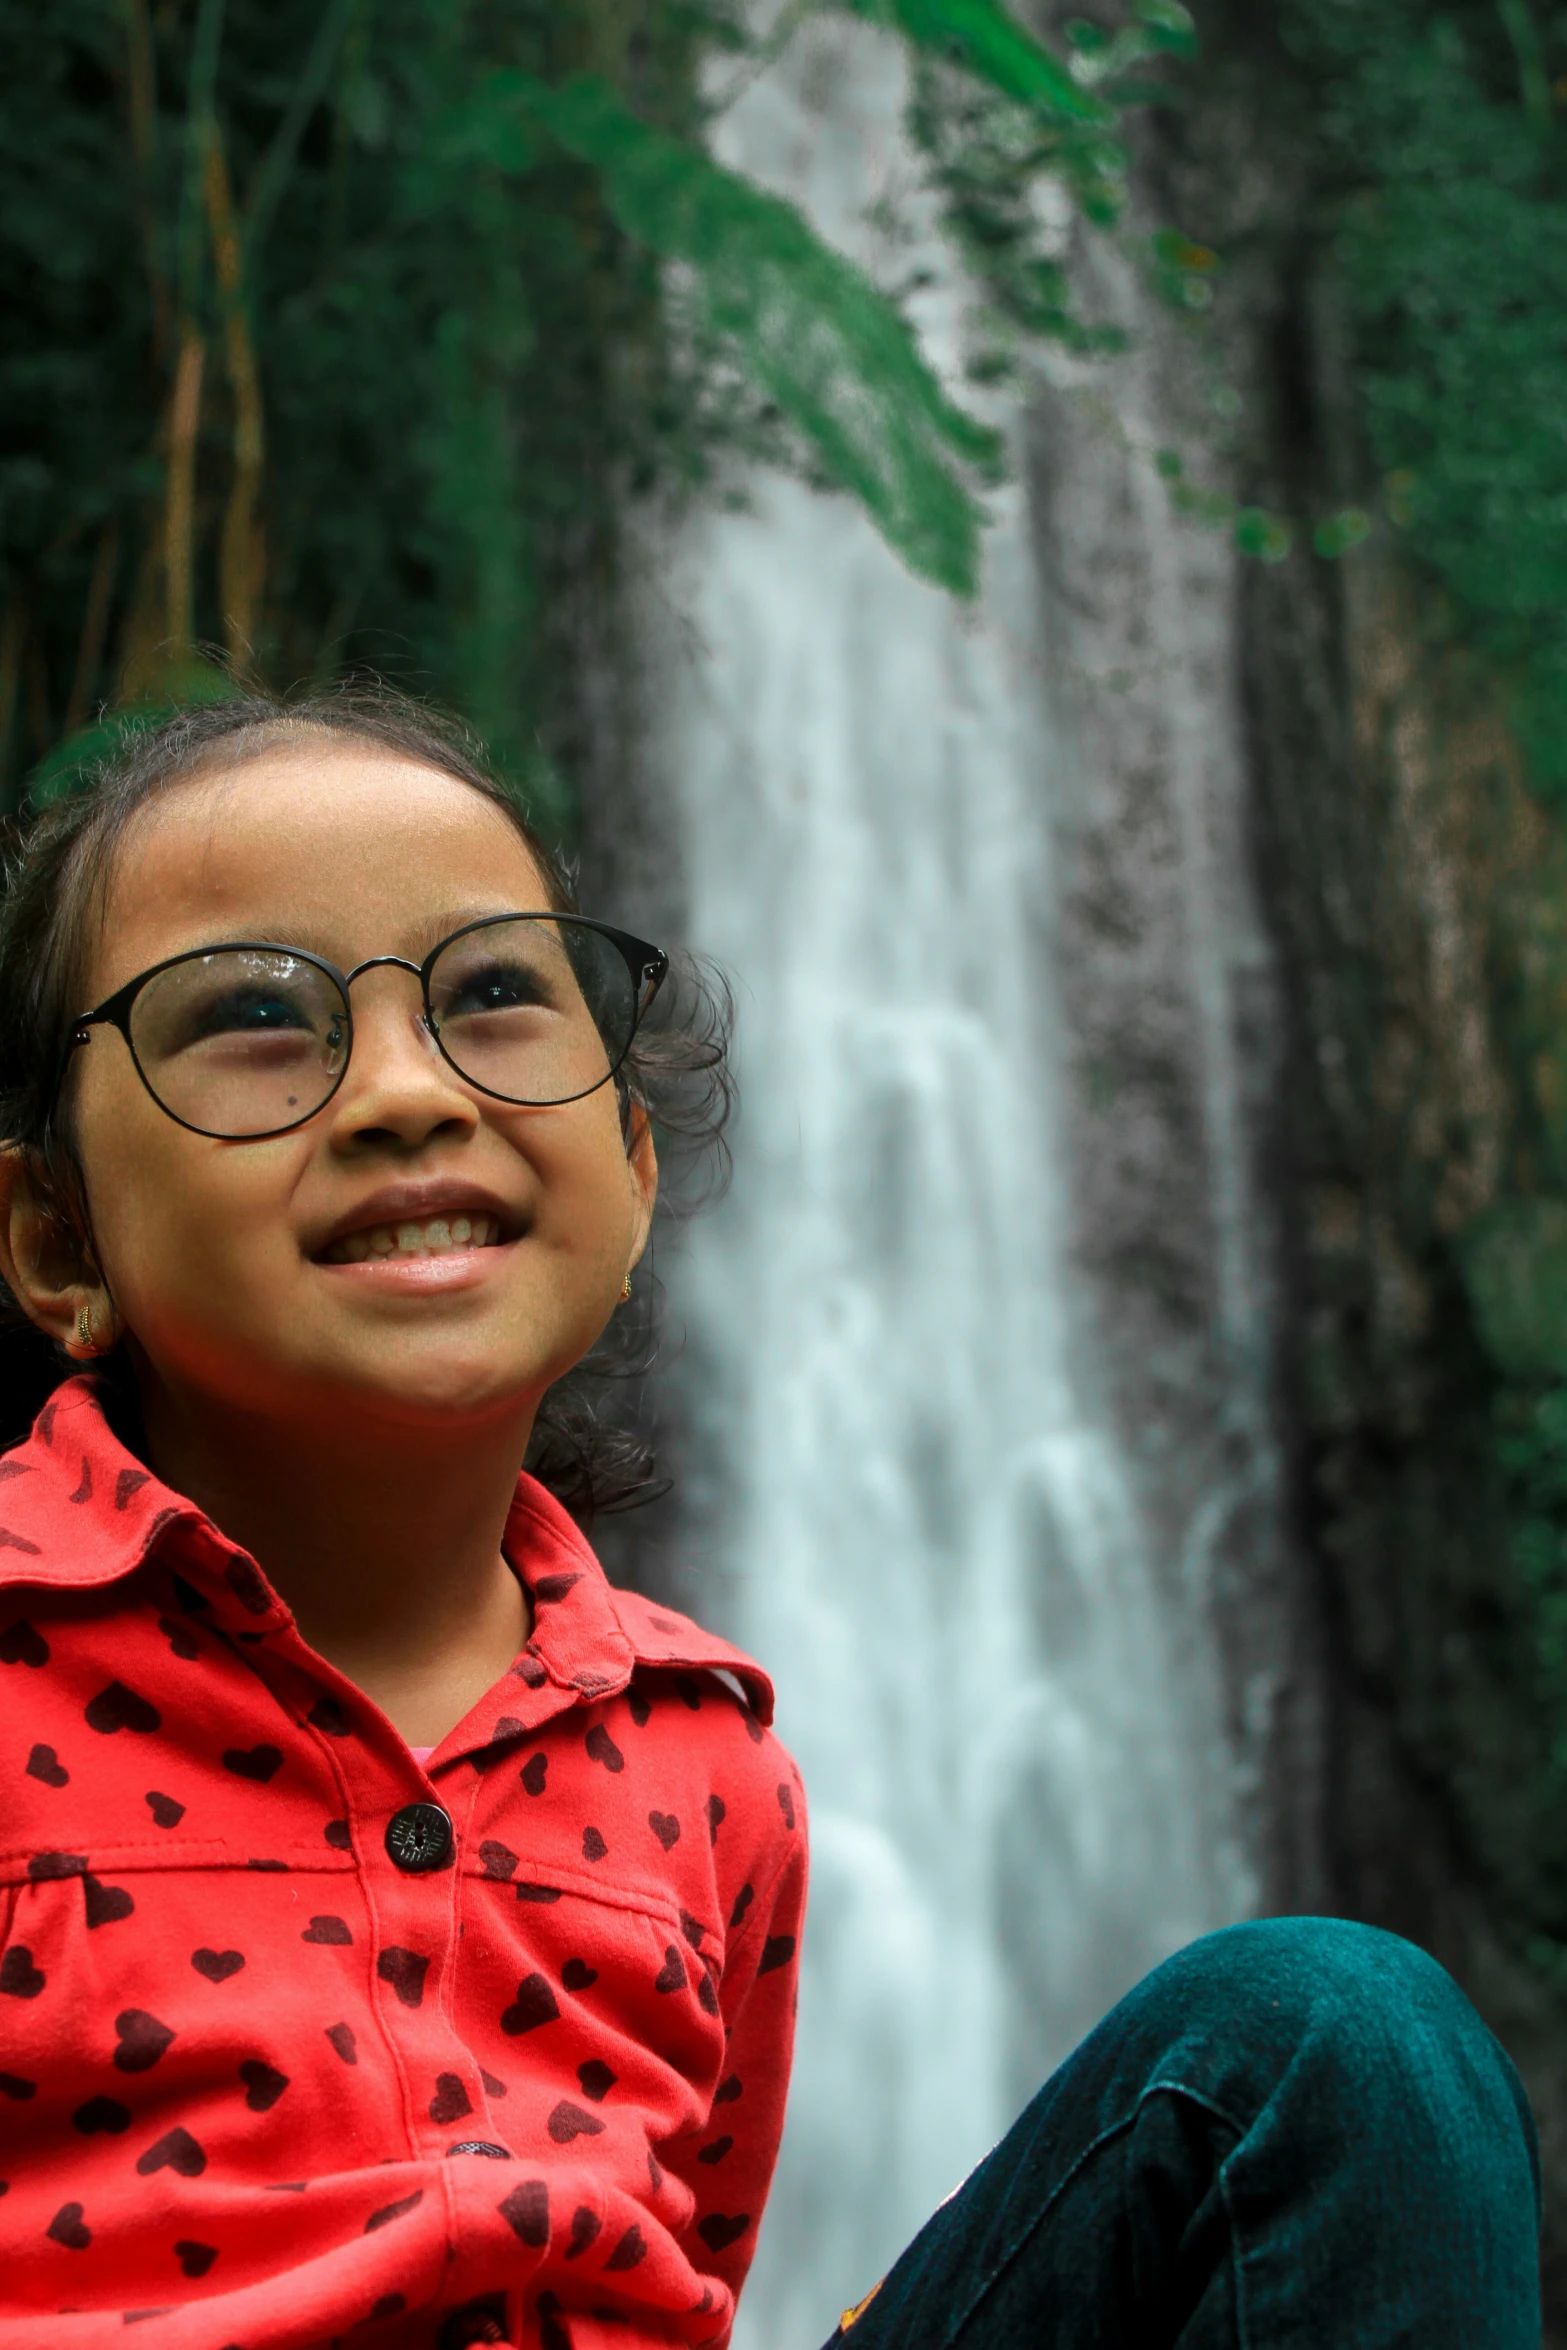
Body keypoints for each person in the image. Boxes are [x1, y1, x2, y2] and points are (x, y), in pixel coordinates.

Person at [0, 692, 1540, 2350]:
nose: (402, 1089)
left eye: (497, 993)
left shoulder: (708, 1765)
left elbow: (681, 2275)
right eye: (252, 1014)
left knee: (1331, 2036)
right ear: (58, 1242)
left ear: (635, 1166)